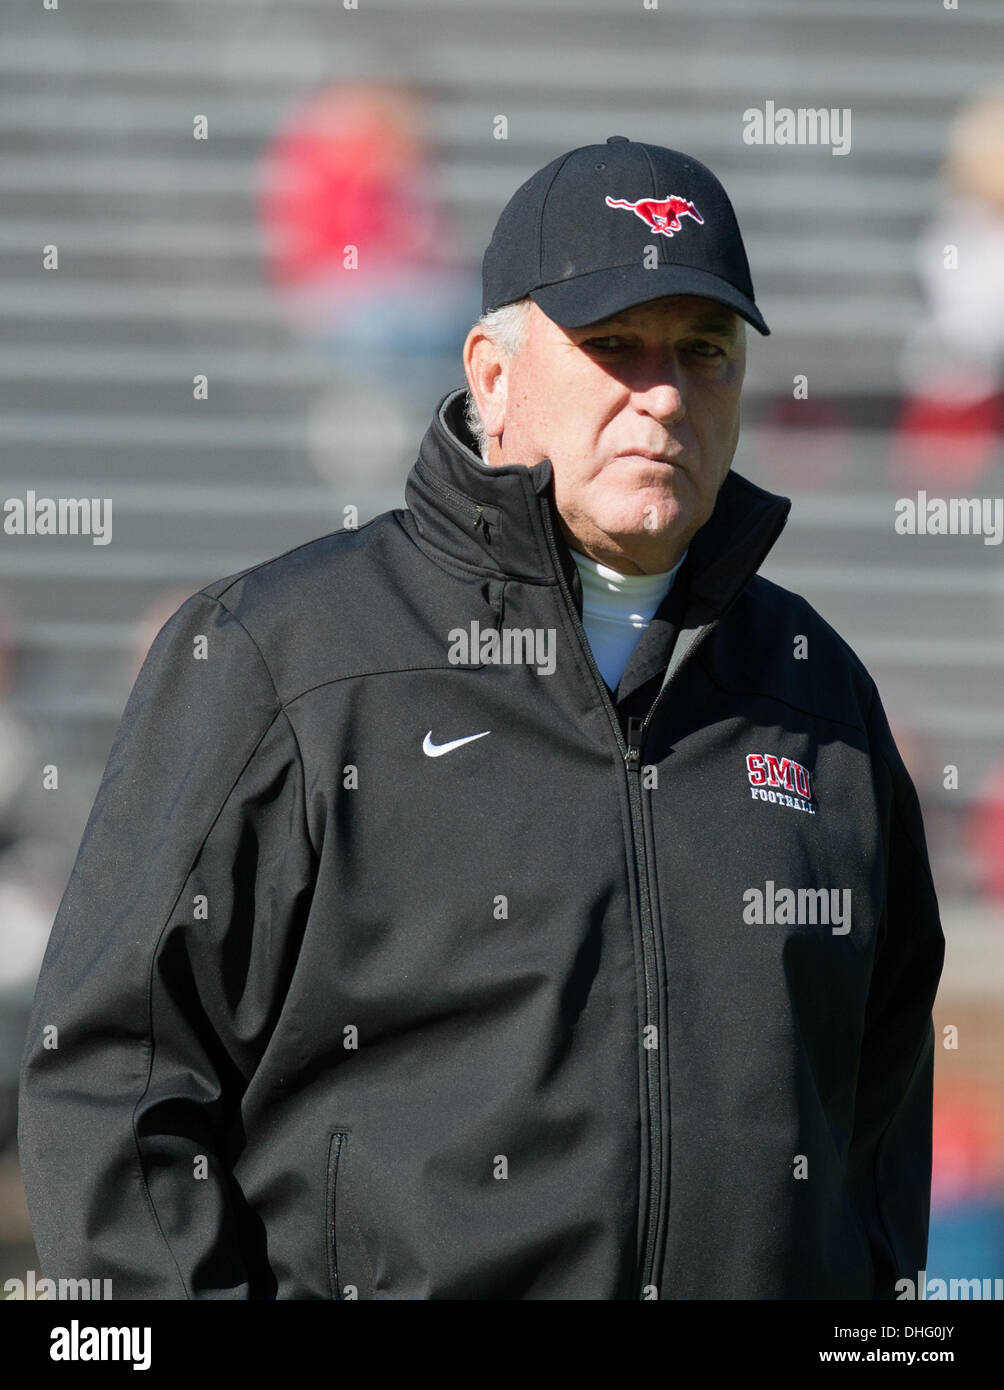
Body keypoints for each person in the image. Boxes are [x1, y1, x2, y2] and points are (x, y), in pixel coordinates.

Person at [18, 137, 945, 1300]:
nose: (661, 394)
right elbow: (116, 1075)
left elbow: (873, 1110)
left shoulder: (815, 691)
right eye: (612, 346)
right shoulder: (282, 656)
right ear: (491, 375)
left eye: (703, 353)